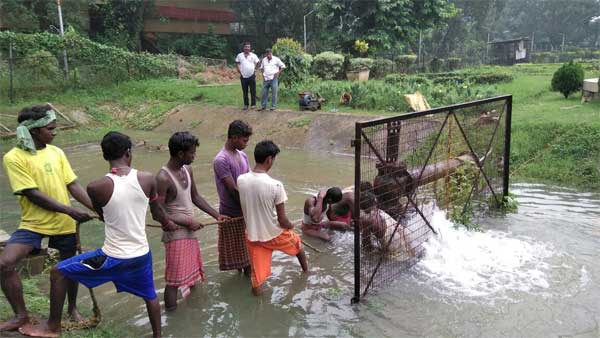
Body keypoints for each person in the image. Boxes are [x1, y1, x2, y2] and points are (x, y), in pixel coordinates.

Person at [20, 131, 174, 338]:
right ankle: (158, 336)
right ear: (128, 153)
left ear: (104, 156)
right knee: (150, 296)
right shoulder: (148, 179)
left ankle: (52, 327)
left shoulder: (95, 187)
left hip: (112, 257)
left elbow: (103, 215)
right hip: (140, 255)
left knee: (58, 272)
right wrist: (168, 224)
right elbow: (158, 213)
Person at [0, 104, 94, 333]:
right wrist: (70, 211)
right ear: (34, 131)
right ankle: (21, 315)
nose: (55, 132)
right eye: (50, 128)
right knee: (4, 263)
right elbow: (32, 193)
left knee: (70, 268)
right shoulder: (14, 157)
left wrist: (96, 208)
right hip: (33, 223)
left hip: (63, 224)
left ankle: (72, 308)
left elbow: (72, 185)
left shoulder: (57, 153)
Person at [156, 131, 225, 311]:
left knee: (192, 275)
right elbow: (157, 211)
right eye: (192, 153)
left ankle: (195, 311)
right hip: (175, 233)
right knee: (174, 280)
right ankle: (172, 318)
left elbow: (195, 196)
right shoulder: (163, 178)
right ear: (180, 154)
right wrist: (187, 221)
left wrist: (216, 215)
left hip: (189, 231)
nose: (195, 156)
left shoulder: (188, 169)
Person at [237, 140, 308, 295]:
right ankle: (306, 273)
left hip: (253, 236)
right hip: (274, 234)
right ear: (269, 159)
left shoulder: (241, 180)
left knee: (257, 278)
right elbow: (282, 220)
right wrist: (291, 225)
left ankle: (258, 306)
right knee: (298, 245)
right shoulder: (276, 185)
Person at [213, 120, 252, 274]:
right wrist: (249, 208)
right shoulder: (221, 160)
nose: (246, 144)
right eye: (244, 140)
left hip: (244, 209)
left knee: (247, 253)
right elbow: (233, 190)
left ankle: (247, 279)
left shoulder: (242, 155)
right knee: (238, 255)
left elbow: (248, 181)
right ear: (234, 137)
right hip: (231, 212)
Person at [235, 42, 260, 110]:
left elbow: (258, 62)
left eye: (248, 47)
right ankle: (246, 105)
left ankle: (253, 104)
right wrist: (238, 70)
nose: (247, 48)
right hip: (243, 76)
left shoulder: (253, 55)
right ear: (243, 48)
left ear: (250, 48)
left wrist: (255, 70)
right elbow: (237, 62)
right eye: (246, 47)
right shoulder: (239, 55)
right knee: (245, 91)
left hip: (251, 75)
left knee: (253, 90)